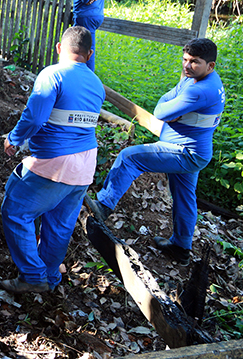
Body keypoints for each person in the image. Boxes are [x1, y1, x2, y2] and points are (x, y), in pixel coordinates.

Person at [86, 38, 225, 266]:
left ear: (210, 66)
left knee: (129, 158)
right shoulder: (201, 79)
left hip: (184, 152)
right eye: (185, 60)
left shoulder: (200, 90)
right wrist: (172, 106)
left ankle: (103, 206)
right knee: (184, 198)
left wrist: (172, 107)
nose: (187, 66)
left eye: (195, 62)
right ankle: (181, 248)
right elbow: (165, 101)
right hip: (194, 152)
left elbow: (160, 111)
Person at [1, 26, 105, 293]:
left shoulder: (53, 74)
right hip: (85, 165)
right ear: (89, 54)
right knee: (60, 225)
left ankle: (34, 277)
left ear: (59, 48)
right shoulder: (96, 84)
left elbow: (35, 117)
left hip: (55, 163)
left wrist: (14, 138)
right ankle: (50, 277)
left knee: (15, 211)